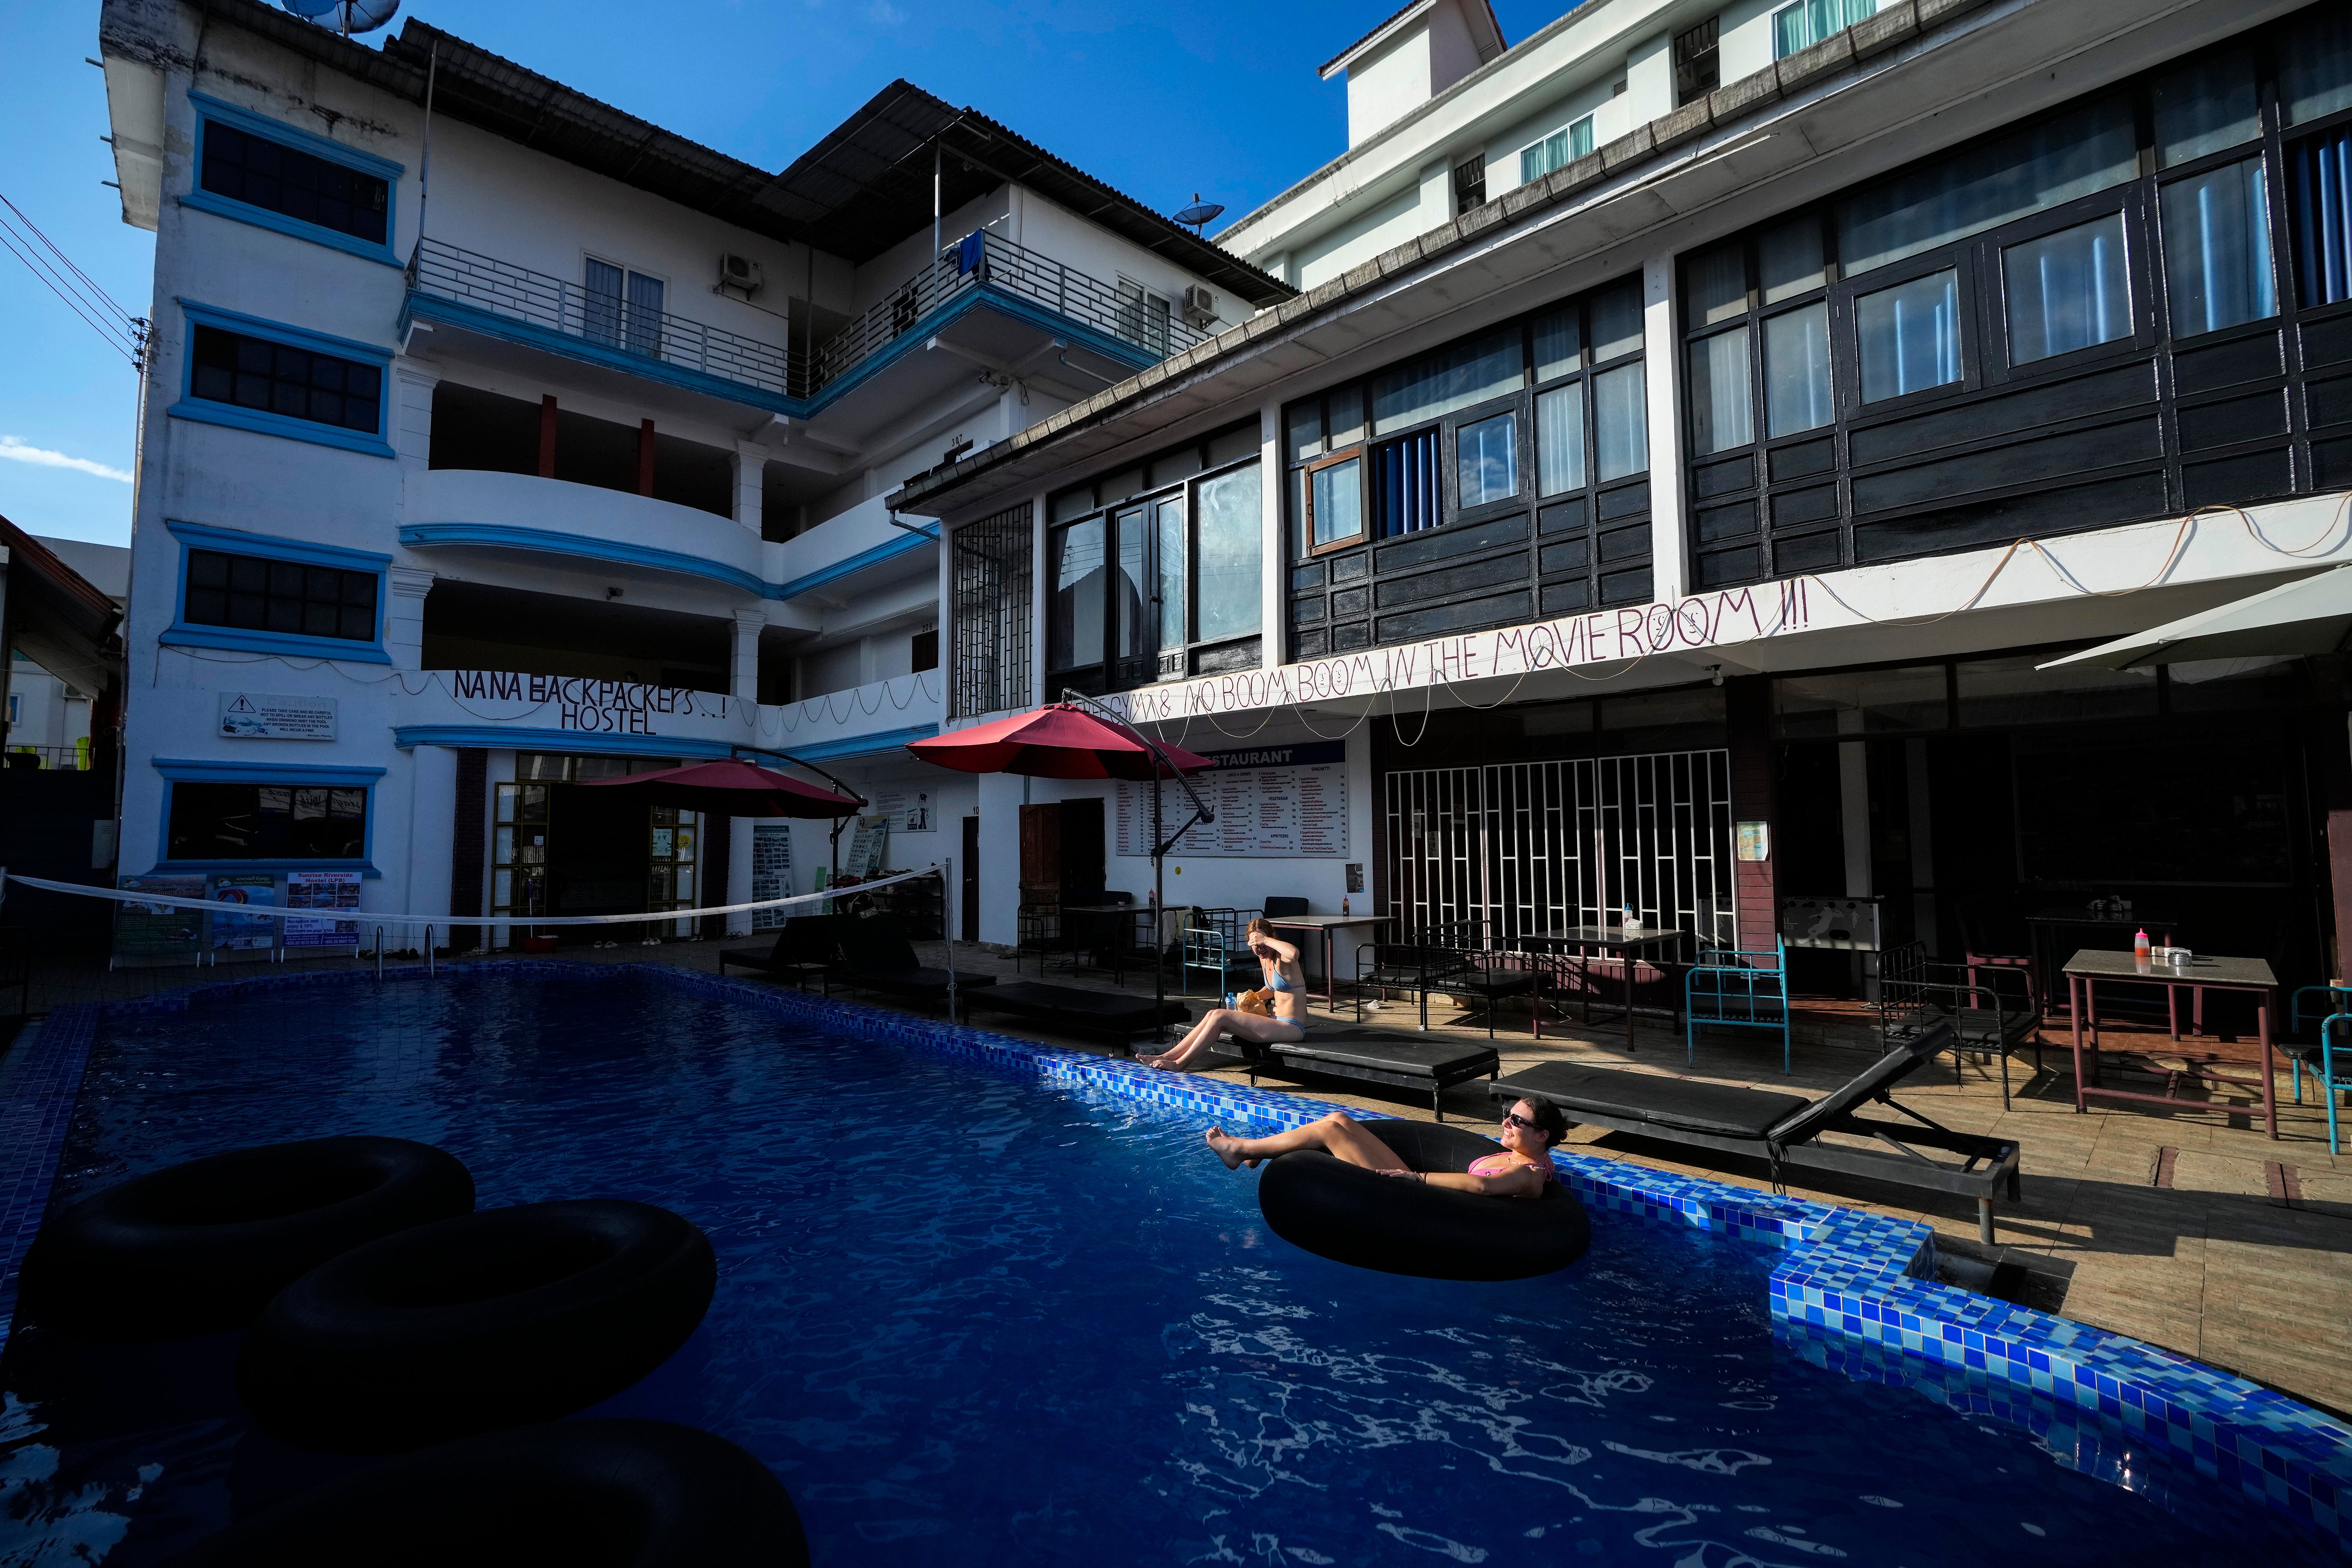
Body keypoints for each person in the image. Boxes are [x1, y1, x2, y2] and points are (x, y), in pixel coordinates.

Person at [1202, 1098, 1568, 1198]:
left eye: (1517, 1122)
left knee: (1331, 1131)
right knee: (1339, 1119)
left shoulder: (1528, 1173)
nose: (1507, 1124)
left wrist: (1415, 1178)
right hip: (1424, 1191)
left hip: (1428, 1206)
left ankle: (1240, 1149)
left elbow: (1483, 1187)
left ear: (1542, 1136)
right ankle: (1254, 1152)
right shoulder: (1524, 1154)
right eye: (1508, 1116)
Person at [1136, 918, 1308, 1071]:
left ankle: (1180, 1064)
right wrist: (1251, 996)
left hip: (1292, 1027)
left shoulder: (1282, 957)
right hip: (1274, 1021)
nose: (1261, 949)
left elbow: (1294, 954)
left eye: (1263, 944)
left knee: (1220, 1017)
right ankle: (1168, 1056)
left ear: (1271, 939)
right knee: (1212, 1013)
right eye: (1256, 945)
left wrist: (1266, 940)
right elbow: (1271, 990)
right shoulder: (1264, 958)